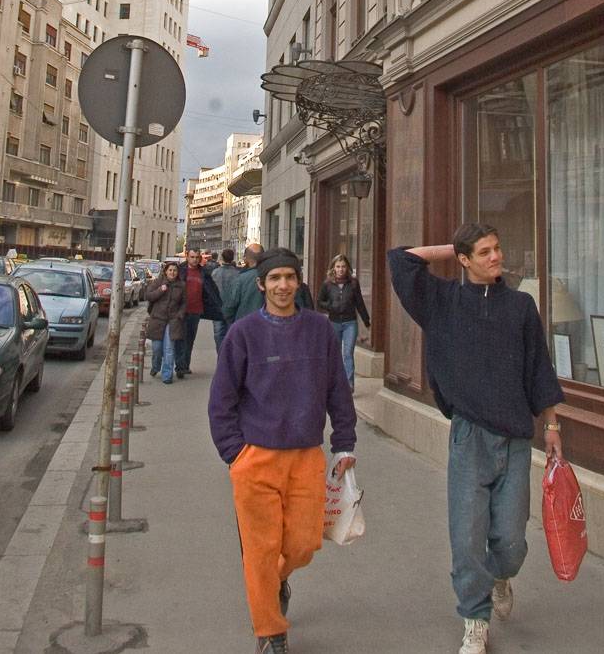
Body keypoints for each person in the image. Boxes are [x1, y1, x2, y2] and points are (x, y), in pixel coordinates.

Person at [388, 223, 564, 654]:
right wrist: (455, 245)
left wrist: (553, 424)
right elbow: (401, 260)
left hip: (516, 438)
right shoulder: (443, 302)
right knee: (467, 538)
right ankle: (474, 618)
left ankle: (500, 577)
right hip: (469, 436)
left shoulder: (521, 306)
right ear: (464, 260)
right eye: (483, 252)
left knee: (512, 541)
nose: (495, 257)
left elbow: (538, 367)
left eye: (497, 249)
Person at [208, 248, 357, 654]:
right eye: (274, 279)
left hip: (306, 456)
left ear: (300, 283)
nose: (283, 285)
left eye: (290, 277)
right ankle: (270, 632)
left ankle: (276, 581)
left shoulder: (319, 330)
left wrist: (344, 441)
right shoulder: (243, 334)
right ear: (261, 285)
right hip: (255, 458)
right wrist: (234, 454)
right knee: (259, 551)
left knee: (304, 543)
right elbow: (222, 400)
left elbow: (336, 391)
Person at [317, 254, 370, 391]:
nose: (341, 269)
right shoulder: (327, 284)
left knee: (347, 353)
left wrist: (367, 321)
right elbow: (320, 301)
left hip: (350, 323)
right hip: (334, 322)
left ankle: (349, 384)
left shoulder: (353, 283)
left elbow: (360, 303)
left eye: (343, 267)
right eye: (338, 266)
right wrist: (331, 306)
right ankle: (334, 382)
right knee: (334, 353)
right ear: (333, 268)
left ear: (347, 268)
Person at [176, 246, 223, 376]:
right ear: (187, 256)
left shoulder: (204, 273)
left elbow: (212, 291)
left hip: (195, 311)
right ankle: (179, 365)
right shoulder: (180, 271)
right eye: (192, 257)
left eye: (197, 257)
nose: (195, 260)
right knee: (179, 338)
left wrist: (218, 306)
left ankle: (184, 365)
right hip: (180, 311)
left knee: (190, 338)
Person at [145, 261, 186, 383]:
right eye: (170, 270)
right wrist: (160, 290)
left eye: (175, 270)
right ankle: (156, 366)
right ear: (165, 271)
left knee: (169, 349)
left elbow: (184, 302)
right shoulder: (157, 283)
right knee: (157, 348)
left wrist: (180, 315)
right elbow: (148, 296)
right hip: (157, 319)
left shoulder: (182, 285)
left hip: (173, 320)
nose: (172, 272)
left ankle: (167, 375)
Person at [222, 242, 264, 323]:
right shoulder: (273, 276)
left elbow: (230, 306)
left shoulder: (240, 279)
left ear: (246, 258)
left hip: (244, 325)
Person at [210, 247, 239, 354]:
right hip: (232, 310)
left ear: (222, 258)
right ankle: (228, 358)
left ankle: (221, 357)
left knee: (218, 335)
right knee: (231, 335)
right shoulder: (237, 274)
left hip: (217, 309)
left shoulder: (215, 273)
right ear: (232, 258)